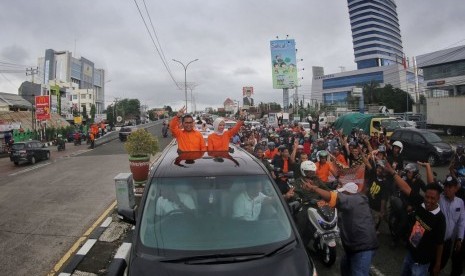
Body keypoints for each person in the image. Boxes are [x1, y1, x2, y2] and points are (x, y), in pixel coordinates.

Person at [303, 180, 379, 276]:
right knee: (345, 267)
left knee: (358, 273)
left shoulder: (353, 200)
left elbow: (332, 197)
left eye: (343, 193)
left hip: (362, 246)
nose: (341, 194)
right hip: (353, 247)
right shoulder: (357, 202)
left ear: (348, 193)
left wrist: (314, 188)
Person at [384, 161, 446, 276]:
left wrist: (437, 264)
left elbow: (440, 244)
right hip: (410, 254)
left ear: (438, 199)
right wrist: (393, 172)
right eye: (427, 197)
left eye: (432, 198)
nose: (428, 201)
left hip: (422, 262)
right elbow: (405, 188)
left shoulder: (440, 218)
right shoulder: (421, 203)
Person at [434, 175, 464, 275]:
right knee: (432, 264)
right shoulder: (439, 198)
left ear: (456, 188)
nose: (447, 189)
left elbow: (461, 221)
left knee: (442, 263)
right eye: (446, 186)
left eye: (450, 187)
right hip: (436, 241)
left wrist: (460, 238)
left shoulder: (460, 202)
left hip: (447, 242)